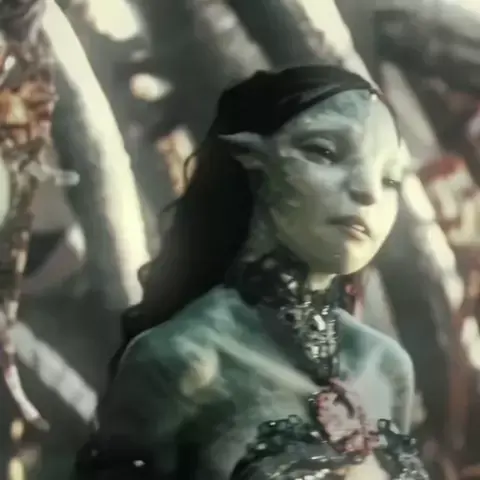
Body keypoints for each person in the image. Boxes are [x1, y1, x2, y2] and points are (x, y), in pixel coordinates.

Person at [74, 66, 429, 479]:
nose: (369, 191)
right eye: (325, 152)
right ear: (251, 159)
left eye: (390, 179)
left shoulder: (387, 366)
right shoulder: (185, 358)